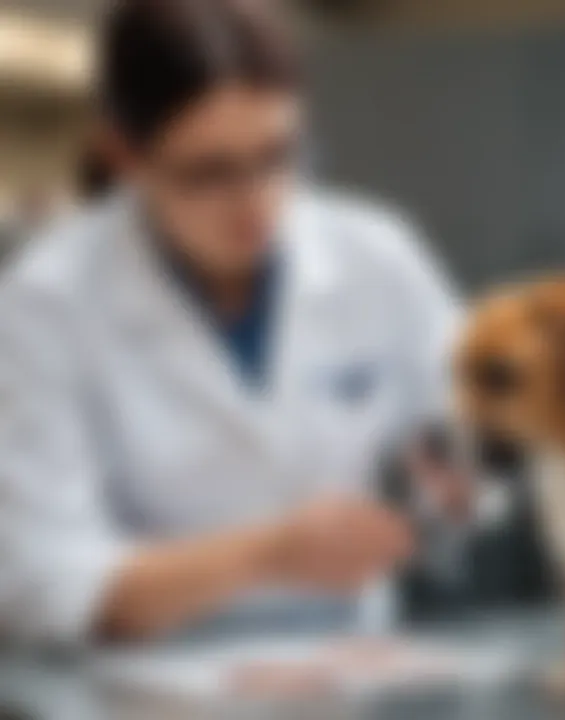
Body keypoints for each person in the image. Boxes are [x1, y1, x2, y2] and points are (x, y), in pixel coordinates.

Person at [0, 0, 458, 645]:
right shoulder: (45, 305)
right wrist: (266, 555)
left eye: (278, 156)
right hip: (143, 687)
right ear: (124, 154)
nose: (258, 201)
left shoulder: (376, 255)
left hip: (350, 667)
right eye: (210, 172)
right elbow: (40, 583)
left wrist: (452, 480)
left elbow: (469, 434)